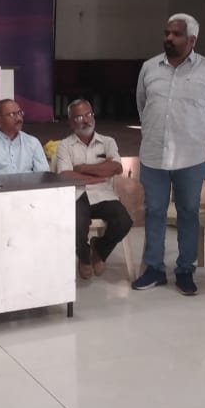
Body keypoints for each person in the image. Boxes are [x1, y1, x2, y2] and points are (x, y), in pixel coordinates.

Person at [132, 13, 205, 296]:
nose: (169, 38)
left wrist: (193, 131)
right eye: (167, 33)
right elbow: (142, 106)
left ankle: (185, 270)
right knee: (154, 211)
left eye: (176, 34)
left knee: (188, 212)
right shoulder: (149, 68)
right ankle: (154, 269)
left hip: (191, 156)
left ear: (192, 40)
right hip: (154, 155)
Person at [53, 99, 133, 280]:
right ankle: (84, 257)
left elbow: (116, 168)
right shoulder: (64, 145)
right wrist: (99, 172)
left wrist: (82, 168)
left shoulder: (107, 142)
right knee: (76, 224)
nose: (86, 120)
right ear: (71, 122)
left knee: (124, 221)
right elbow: (66, 174)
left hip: (103, 193)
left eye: (89, 114)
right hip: (77, 193)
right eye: (79, 117)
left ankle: (100, 250)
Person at [0, 99, 49, 176]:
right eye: (12, 114)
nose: (19, 118)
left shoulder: (32, 142)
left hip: (29, 184)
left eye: (19, 113)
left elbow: (43, 174)